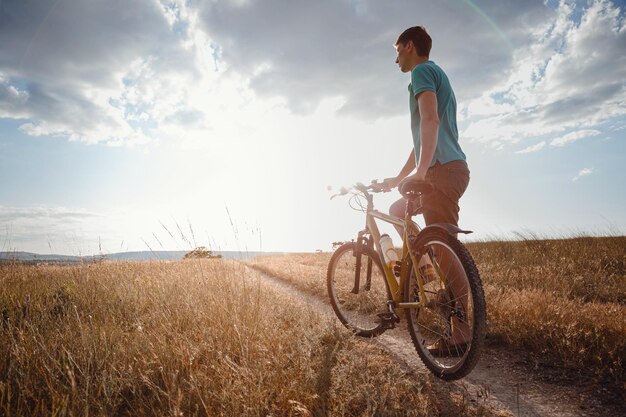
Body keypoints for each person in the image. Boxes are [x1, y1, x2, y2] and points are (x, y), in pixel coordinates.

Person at [381, 26, 470, 354]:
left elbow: (430, 121)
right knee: (396, 211)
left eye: (397, 50)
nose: (396, 59)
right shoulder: (434, 73)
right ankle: (424, 270)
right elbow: (420, 140)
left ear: (409, 45)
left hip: (442, 172)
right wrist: (398, 177)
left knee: (447, 251)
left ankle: (460, 331)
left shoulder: (420, 72)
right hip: (438, 170)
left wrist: (421, 172)